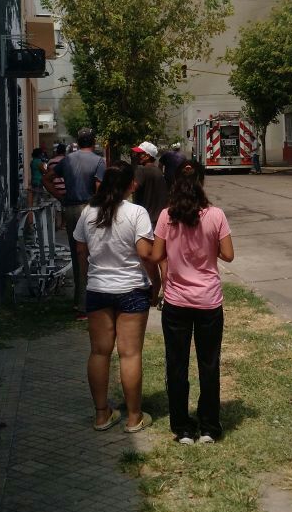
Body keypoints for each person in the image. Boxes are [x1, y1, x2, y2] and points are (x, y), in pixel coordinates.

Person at [152, 160, 234, 445]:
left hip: (176, 302)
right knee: (208, 364)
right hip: (209, 302)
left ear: (175, 183)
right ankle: (210, 427)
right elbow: (228, 255)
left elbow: (155, 254)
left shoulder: (166, 216)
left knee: (177, 364)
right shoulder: (216, 215)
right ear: (202, 181)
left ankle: (183, 428)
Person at [73, 164, 157, 433]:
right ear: (129, 185)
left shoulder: (88, 212)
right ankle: (134, 417)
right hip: (132, 289)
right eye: (134, 182)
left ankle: (101, 415)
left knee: (99, 352)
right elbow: (145, 253)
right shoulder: (137, 213)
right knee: (130, 354)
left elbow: (80, 249)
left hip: (98, 289)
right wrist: (156, 284)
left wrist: (88, 279)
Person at [43, 127, 106, 318]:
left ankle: (79, 303)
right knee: (93, 253)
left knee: (76, 253)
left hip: (70, 209)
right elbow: (99, 189)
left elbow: (47, 179)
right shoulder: (99, 161)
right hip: (90, 209)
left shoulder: (67, 160)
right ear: (93, 142)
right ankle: (91, 301)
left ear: (77, 142)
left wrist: (61, 198)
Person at [132, 141, 168, 228]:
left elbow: (132, 188)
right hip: (158, 221)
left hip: (144, 220)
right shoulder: (158, 172)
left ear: (147, 156)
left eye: (139, 154)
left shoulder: (141, 170)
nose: (136, 156)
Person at [45, 142, 66, 229]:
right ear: (64, 151)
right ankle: (63, 224)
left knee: (55, 207)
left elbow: (48, 174)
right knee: (64, 207)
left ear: (57, 151)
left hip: (54, 188)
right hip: (65, 187)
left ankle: (56, 224)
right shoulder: (67, 160)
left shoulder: (50, 162)